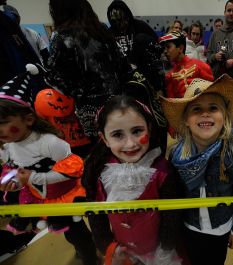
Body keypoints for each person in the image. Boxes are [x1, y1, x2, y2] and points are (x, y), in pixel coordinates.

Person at [0, 67, 97, 265]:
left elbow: (73, 170)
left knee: (76, 232)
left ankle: (90, 256)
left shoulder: (50, 143)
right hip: (40, 197)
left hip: (64, 196)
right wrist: (12, 182)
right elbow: (13, 169)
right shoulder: (7, 145)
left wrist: (33, 178)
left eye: (3, 122)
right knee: (66, 233)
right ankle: (84, 249)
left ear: (28, 119)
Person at [160, 74, 233, 265]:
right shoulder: (176, 154)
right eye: (197, 109)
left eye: (213, 108)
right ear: (185, 120)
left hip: (221, 227)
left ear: (224, 115)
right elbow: (174, 196)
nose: (205, 113)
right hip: (189, 227)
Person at [83, 95, 183, 265]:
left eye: (137, 131)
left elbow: (171, 216)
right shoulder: (99, 172)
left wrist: (166, 248)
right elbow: (96, 215)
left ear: (149, 129)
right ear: (104, 139)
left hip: (158, 252)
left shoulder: (163, 172)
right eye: (117, 135)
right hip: (122, 252)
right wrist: (107, 246)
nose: (130, 144)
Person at [46, 0, 131, 140]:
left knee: (101, 144)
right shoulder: (101, 29)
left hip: (89, 107)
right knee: (121, 139)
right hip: (117, 99)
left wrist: (76, 93)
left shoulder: (61, 36)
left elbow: (53, 76)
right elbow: (123, 64)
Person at [160, 31, 213, 98]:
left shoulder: (201, 66)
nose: (165, 51)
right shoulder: (170, 76)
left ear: (180, 48)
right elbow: (172, 102)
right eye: (164, 48)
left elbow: (212, 93)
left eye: (168, 47)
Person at [107, 0, 157, 68]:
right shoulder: (110, 32)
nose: (119, 24)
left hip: (143, 66)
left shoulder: (139, 25)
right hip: (122, 70)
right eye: (115, 21)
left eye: (122, 20)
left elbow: (155, 40)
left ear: (127, 16)